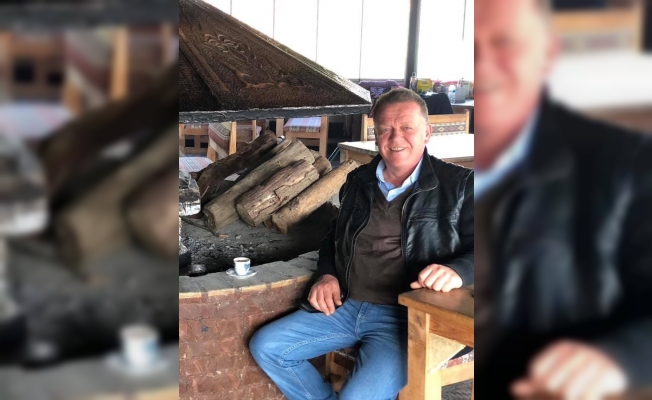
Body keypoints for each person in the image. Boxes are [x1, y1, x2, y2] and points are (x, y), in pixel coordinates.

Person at [474, 0, 652, 398]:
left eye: (505, 42)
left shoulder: (629, 164)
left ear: (548, 54)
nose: (482, 64)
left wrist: (620, 356)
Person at [249, 88, 474, 400]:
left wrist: (458, 270)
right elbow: (333, 237)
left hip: (409, 318)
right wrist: (327, 274)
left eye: (407, 127)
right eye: (385, 129)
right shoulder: (359, 180)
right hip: (347, 305)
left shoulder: (461, 185)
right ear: (376, 134)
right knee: (267, 347)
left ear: (427, 132)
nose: (396, 138)